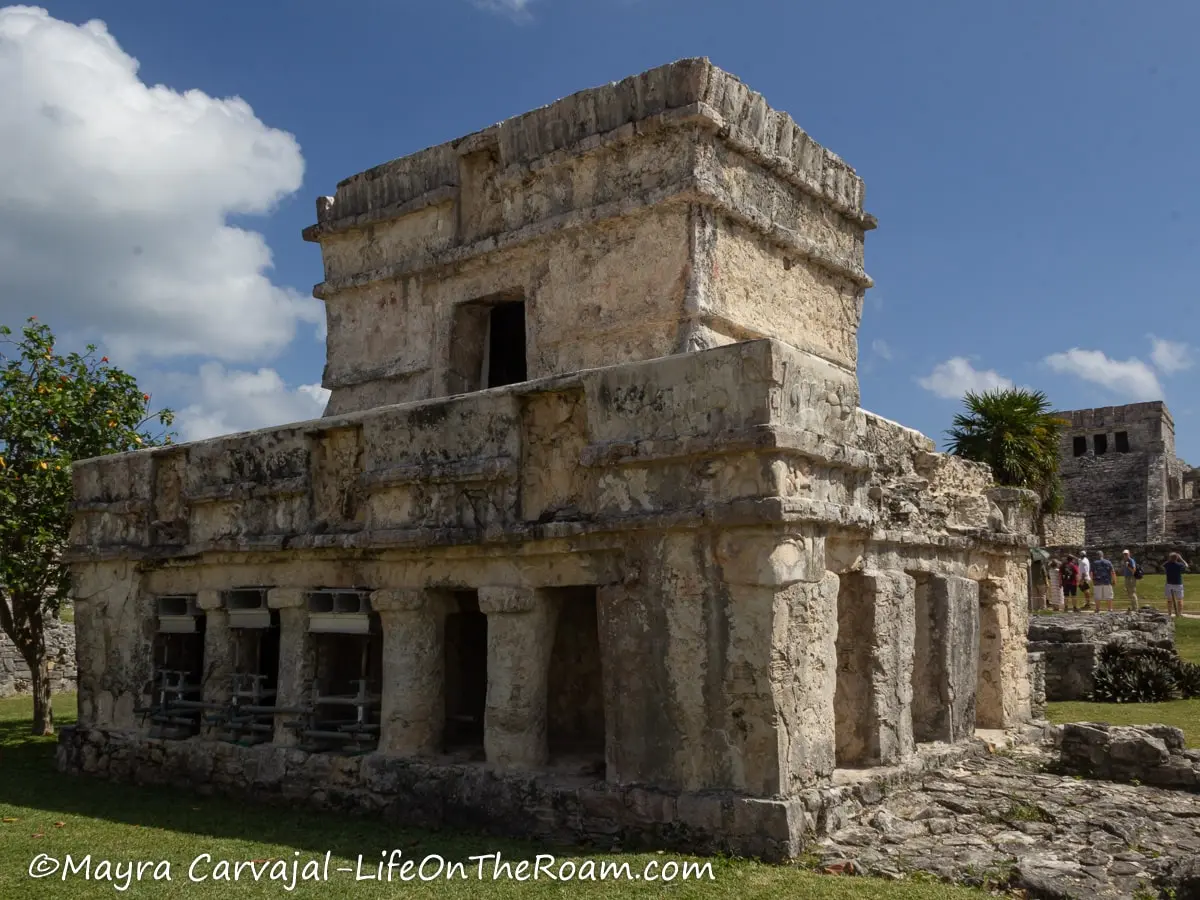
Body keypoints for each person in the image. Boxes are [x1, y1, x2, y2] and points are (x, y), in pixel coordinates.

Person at [1165, 552, 1191, 617]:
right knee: (1180, 600)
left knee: (1169, 600)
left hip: (1169, 584)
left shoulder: (1167, 564)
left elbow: (1162, 565)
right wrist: (1181, 558)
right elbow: (1186, 565)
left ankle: (1169, 613)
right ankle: (1179, 613)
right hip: (1178, 584)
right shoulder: (1179, 565)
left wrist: (1170, 559)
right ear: (1177, 558)